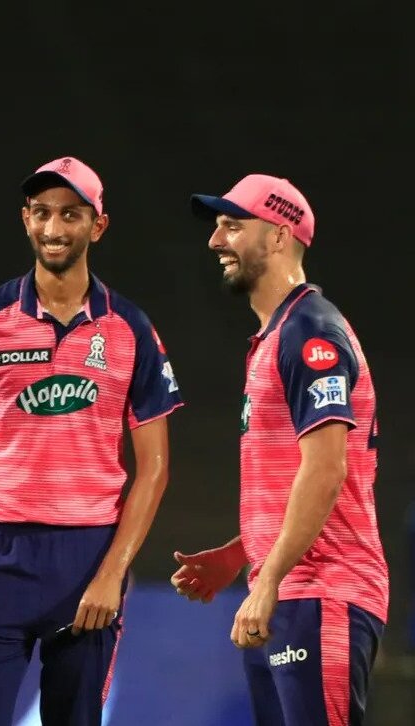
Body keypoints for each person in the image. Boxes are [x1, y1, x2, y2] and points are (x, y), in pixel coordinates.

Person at [0, 157, 183, 725]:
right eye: (41, 213)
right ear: (26, 220)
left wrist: (111, 574)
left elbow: (155, 467)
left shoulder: (130, 327)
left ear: (98, 226)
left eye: (70, 214)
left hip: (87, 558)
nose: (54, 228)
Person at [171, 174, 386, 726]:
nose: (215, 241)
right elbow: (301, 476)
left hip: (322, 591)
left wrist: (268, 578)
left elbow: (327, 470)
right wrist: (244, 553)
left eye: (232, 226)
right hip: (293, 591)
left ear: (279, 236)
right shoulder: (278, 335)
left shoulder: (309, 332)